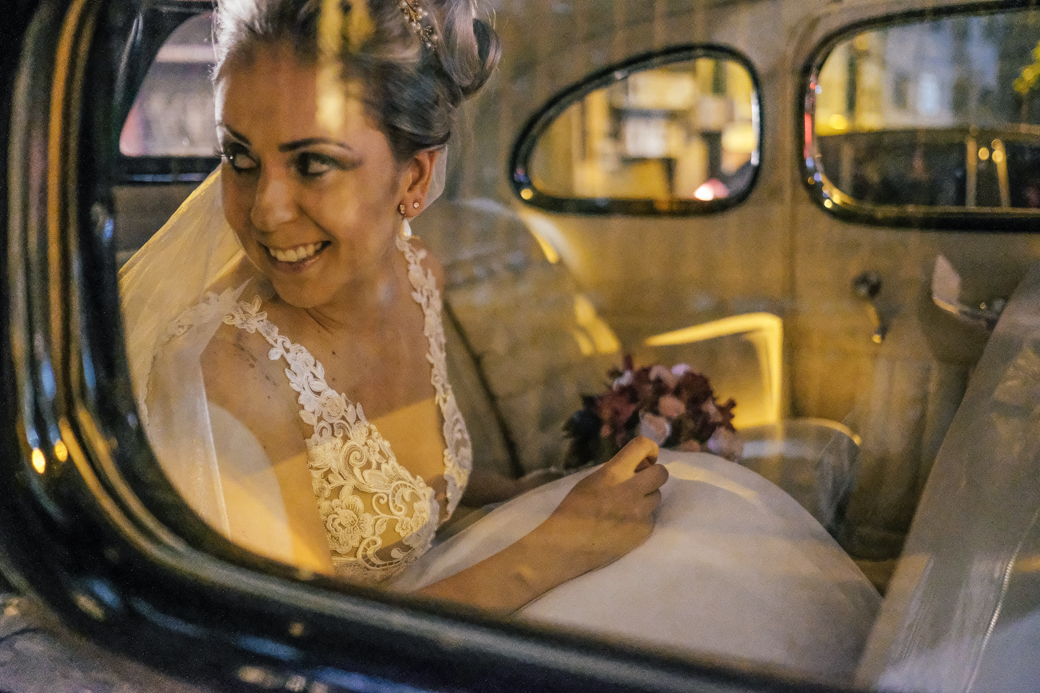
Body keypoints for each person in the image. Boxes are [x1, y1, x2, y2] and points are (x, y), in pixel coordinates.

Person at [120, 0, 879, 681]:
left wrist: (523, 497)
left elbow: (403, 496)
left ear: (413, 180)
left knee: (715, 533)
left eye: (312, 163)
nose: (266, 211)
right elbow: (306, 656)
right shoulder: (231, 377)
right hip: (369, 665)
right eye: (240, 160)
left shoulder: (419, 278)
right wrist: (551, 543)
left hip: (435, 615)